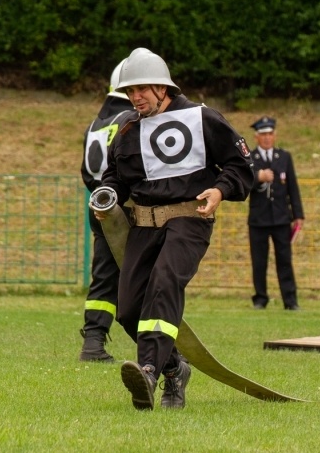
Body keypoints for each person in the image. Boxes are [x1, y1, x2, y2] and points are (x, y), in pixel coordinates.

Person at [94, 47, 254, 410]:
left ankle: (148, 369)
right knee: (128, 308)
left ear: (163, 88)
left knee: (164, 284)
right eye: (129, 91)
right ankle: (174, 369)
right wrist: (107, 194)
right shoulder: (127, 131)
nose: (135, 97)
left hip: (189, 220)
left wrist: (220, 189)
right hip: (143, 226)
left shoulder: (203, 118)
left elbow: (241, 166)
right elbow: (116, 178)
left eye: (142, 89)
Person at [78, 59, 134, 362]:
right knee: (144, 273)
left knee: (103, 274)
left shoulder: (96, 123)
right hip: (126, 205)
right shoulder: (130, 118)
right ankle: (159, 346)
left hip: (99, 204)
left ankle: (93, 342)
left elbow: (87, 172)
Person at [247, 116, 305, 311]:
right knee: (259, 261)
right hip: (258, 219)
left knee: (284, 260)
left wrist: (298, 215)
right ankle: (260, 299)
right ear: (256, 137)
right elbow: (243, 184)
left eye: (270, 134)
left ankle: (290, 300)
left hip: (281, 218)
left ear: (275, 135)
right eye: (263, 134)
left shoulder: (284, 157)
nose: (267, 138)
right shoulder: (250, 159)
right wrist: (258, 178)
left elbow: (292, 188)